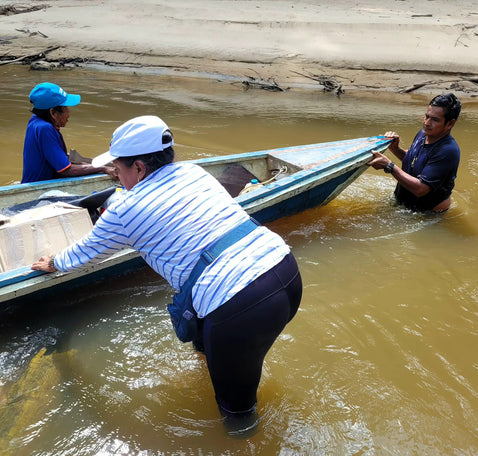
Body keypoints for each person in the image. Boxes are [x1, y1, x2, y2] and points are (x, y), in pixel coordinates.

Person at [32, 115, 303, 435]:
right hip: (284, 270)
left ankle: (244, 454)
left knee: (237, 416)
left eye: (118, 168)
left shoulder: (123, 209)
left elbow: (87, 251)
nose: (116, 175)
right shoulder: (194, 172)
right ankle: (221, 365)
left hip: (239, 303)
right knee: (211, 341)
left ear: (140, 168)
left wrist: (54, 263)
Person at [368, 93, 461, 212]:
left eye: (435, 120)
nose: (427, 123)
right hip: (406, 206)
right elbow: (415, 160)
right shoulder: (423, 134)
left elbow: (421, 189)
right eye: (427, 116)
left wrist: (389, 166)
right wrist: (396, 149)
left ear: (450, 124)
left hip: (428, 215)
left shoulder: (448, 151)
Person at [22, 82, 114, 183]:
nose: (68, 113)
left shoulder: (36, 120)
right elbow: (66, 170)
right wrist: (103, 168)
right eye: (65, 108)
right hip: (40, 187)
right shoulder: (45, 129)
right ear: (52, 112)